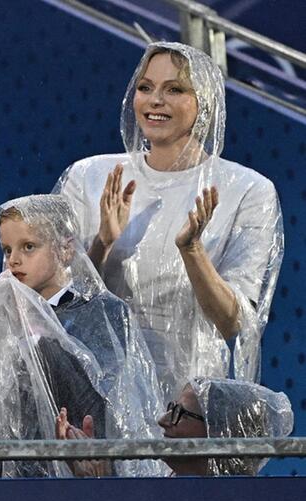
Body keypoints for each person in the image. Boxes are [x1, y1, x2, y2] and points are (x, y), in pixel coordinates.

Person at [54, 42, 283, 400]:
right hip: (100, 396)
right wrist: (102, 243)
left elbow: (234, 323)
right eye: (145, 88)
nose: (155, 100)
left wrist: (192, 251)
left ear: (204, 102)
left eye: (174, 89)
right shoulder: (89, 176)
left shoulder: (249, 190)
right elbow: (59, 303)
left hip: (189, 406)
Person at [0, 195, 163, 465]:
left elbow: (114, 400)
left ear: (65, 250)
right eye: (6, 250)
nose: (13, 260)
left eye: (28, 247)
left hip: (87, 471)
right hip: (16, 473)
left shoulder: (104, 314)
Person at [57, 377, 293, 476]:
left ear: (220, 432)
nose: (162, 419)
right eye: (171, 408)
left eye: (179, 413)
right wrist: (95, 482)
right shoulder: (167, 496)